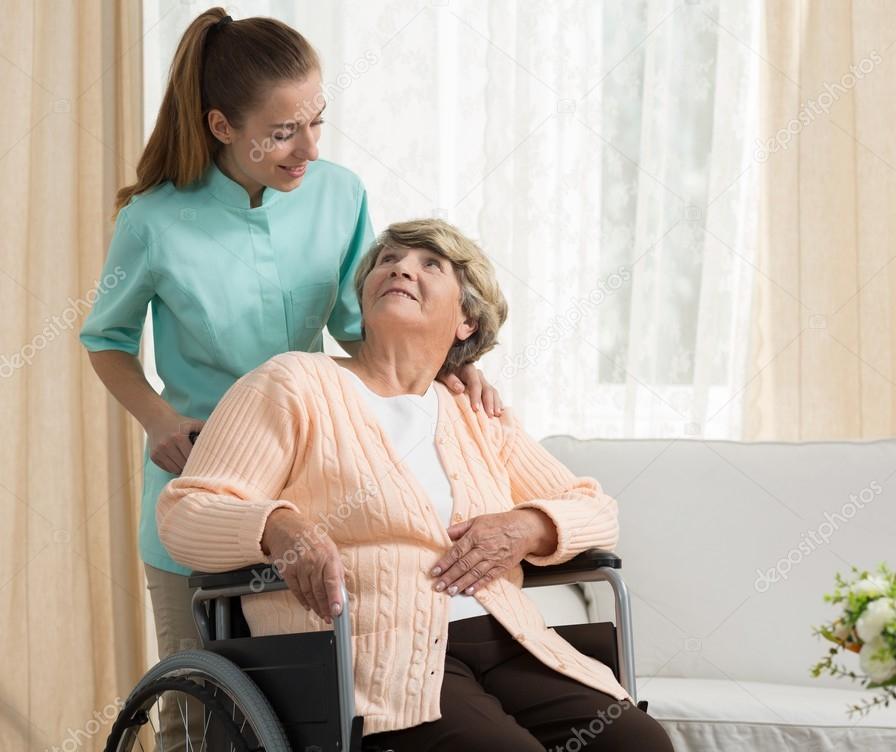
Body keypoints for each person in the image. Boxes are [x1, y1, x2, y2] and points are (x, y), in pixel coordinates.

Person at [79, 9, 501, 750]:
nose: (308, 148)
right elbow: (106, 340)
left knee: (301, 708)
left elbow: (359, 323)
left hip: (313, 488)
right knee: (196, 713)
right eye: (282, 133)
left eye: (317, 122)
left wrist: (453, 374)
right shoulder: (153, 220)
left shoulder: (339, 194)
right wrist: (157, 420)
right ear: (219, 125)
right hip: (202, 484)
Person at [157, 218, 673, 751]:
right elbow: (187, 511)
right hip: (374, 652)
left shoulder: (474, 412)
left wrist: (528, 527)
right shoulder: (294, 383)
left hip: (510, 640)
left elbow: (595, 507)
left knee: (639, 744)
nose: (401, 267)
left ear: (466, 321)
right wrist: (279, 528)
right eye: (388, 261)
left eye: (432, 264)